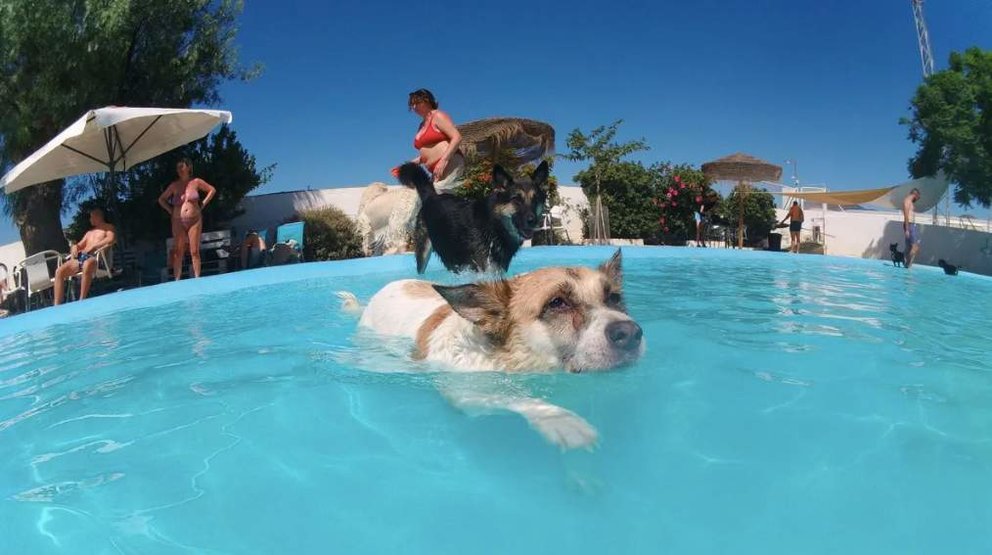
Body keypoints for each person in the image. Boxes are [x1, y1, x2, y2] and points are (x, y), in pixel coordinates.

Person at [392, 89, 464, 190]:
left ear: (427, 100)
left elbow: (456, 137)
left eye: (417, 103)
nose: (414, 107)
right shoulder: (421, 125)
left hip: (448, 162)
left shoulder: (438, 115)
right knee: (431, 199)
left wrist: (443, 161)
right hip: (435, 169)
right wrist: (406, 167)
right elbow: (425, 154)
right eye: (412, 105)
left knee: (438, 198)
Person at [157, 158, 216, 279]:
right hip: (178, 220)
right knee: (178, 252)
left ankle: (197, 278)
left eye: (181, 166)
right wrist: (171, 210)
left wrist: (202, 204)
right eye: (178, 168)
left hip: (194, 219)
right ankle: (177, 280)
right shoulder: (174, 185)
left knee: (194, 251)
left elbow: (212, 190)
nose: (179, 170)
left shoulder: (196, 182)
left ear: (189, 167)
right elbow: (161, 199)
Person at [53, 207, 116, 305]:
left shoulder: (108, 227)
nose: (90, 220)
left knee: (87, 264)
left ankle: (82, 300)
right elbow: (79, 245)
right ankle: (56, 305)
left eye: (91, 217)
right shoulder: (89, 233)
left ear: (98, 217)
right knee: (59, 271)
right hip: (81, 257)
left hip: (96, 258)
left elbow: (111, 239)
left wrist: (95, 246)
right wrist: (74, 246)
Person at [903, 187, 921, 268]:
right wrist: (907, 229)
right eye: (918, 197)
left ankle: (907, 264)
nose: (917, 199)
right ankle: (907, 264)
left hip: (910, 225)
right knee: (915, 247)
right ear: (915, 195)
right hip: (909, 225)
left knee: (909, 247)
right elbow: (906, 215)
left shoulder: (909, 202)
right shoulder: (907, 201)